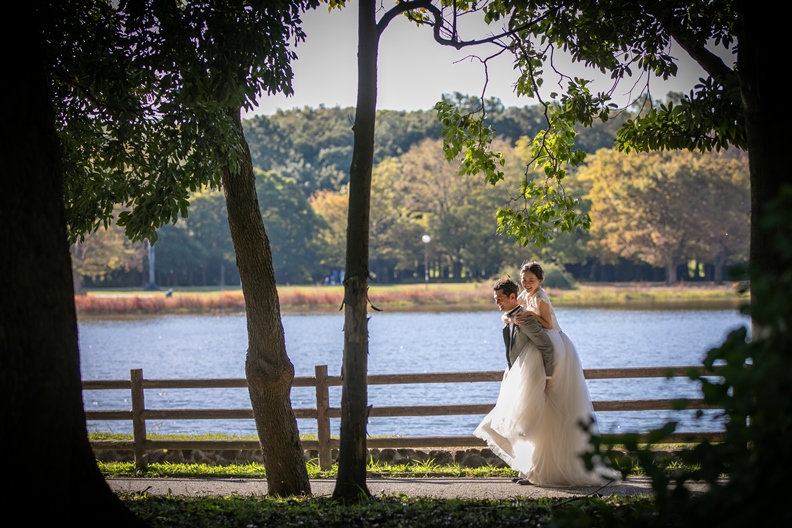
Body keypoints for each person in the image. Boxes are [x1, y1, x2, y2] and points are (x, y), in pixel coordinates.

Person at [474, 262, 619, 487]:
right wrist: (512, 317)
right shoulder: (523, 295)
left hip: (552, 349)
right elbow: (509, 314)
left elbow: (547, 326)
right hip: (536, 356)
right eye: (524, 280)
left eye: (531, 280)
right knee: (534, 419)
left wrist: (549, 375)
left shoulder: (540, 298)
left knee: (546, 417)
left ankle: (542, 471)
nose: (527, 284)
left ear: (540, 281)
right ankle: (530, 469)